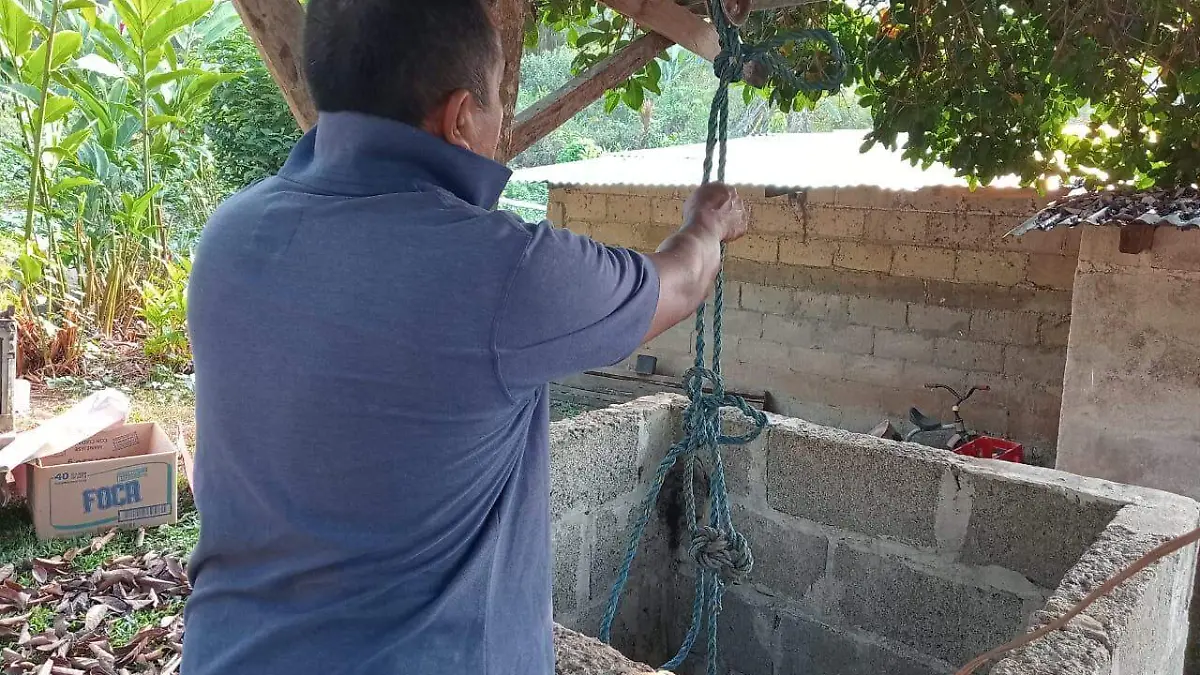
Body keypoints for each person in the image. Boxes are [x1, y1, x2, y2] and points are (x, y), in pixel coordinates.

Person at [181, 0, 749, 673]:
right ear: (458, 117)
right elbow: (682, 283)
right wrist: (707, 224)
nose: (502, 121)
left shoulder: (227, 236)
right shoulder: (505, 272)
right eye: (498, 97)